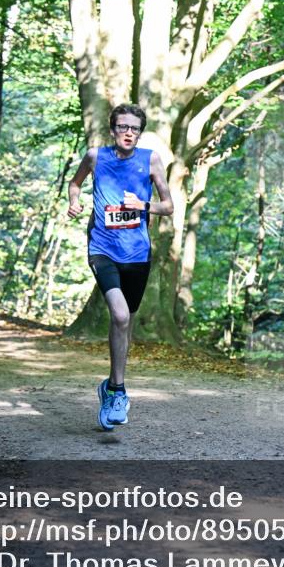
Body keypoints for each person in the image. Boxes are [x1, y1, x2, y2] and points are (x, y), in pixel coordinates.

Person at [66, 104, 173, 431]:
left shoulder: (151, 160)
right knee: (120, 315)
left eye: (135, 128)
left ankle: (111, 385)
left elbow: (168, 206)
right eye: (123, 127)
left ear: (140, 133)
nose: (129, 133)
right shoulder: (95, 157)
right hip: (102, 248)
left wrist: (145, 205)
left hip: (137, 253)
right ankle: (118, 391)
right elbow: (75, 184)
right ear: (113, 129)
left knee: (125, 322)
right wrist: (74, 202)